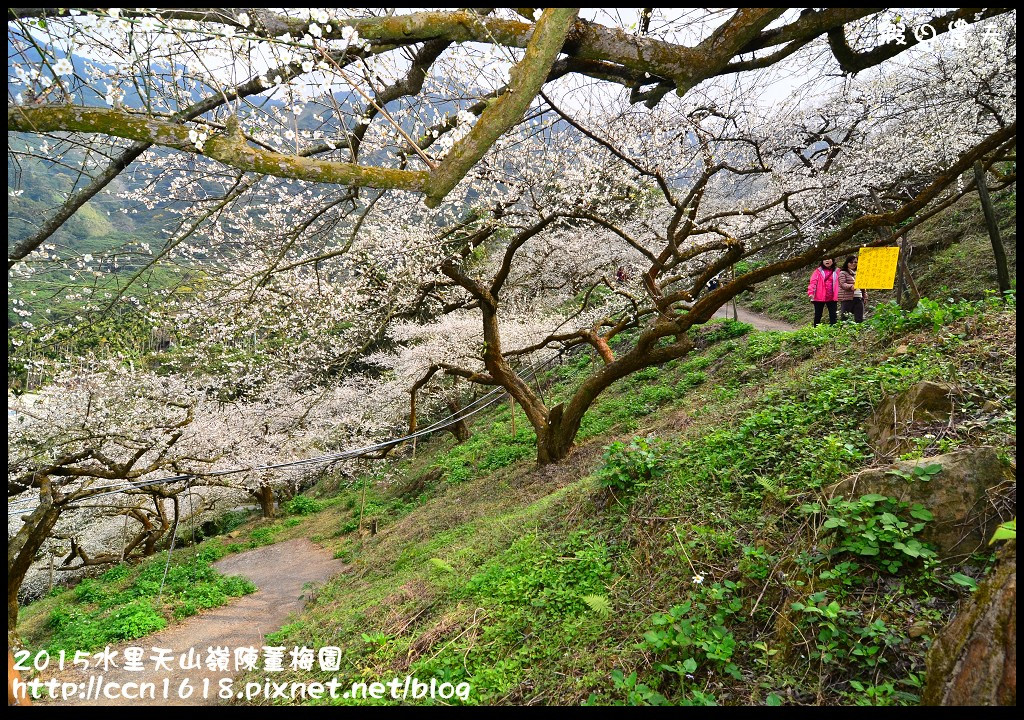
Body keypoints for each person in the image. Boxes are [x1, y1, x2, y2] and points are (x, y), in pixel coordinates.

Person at [807, 257, 839, 326]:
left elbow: (841, 282)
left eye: (829, 259)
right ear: (822, 261)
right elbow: (813, 282)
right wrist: (811, 292)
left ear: (833, 261)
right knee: (818, 315)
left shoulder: (837, 271)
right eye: (825, 259)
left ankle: (833, 331)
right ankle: (815, 330)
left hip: (832, 297)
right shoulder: (818, 271)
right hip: (819, 297)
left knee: (833, 315)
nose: (827, 260)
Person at [838, 255, 867, 323]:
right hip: (847, 298)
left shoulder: (859, 273)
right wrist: (851, 286)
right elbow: (842, 284)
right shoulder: (843, 273)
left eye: (855, 262)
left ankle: (858, 332)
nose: (853, 264)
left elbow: (863, 287)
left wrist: (865, 296)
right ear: (847, 263)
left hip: (859, 298)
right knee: (845, 318)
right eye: (851, 262)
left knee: (859, 319)